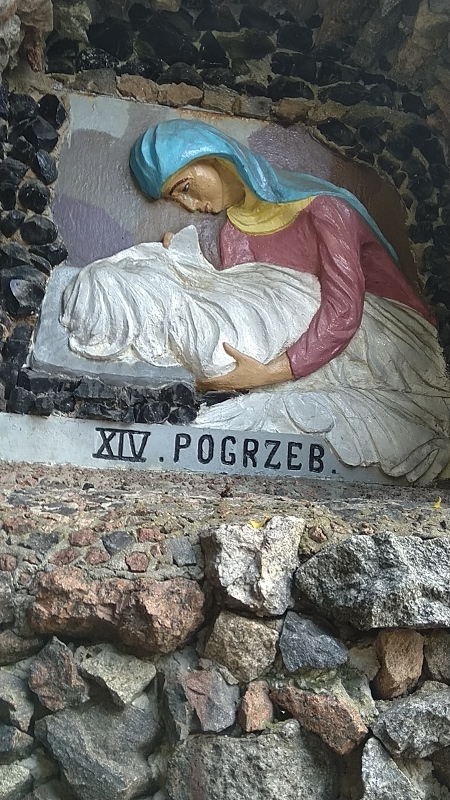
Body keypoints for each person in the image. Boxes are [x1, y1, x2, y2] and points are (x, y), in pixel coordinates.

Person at [129, 118, 436, 395]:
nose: (190, 205)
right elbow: (249, 311)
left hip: (388, 340)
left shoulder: (325, 209)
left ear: (214, 155)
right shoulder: (234, 235)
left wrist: (268, 374)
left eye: (186, 187)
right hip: (310, 348)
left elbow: (344, 312)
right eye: (177, 199)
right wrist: (184, 268)